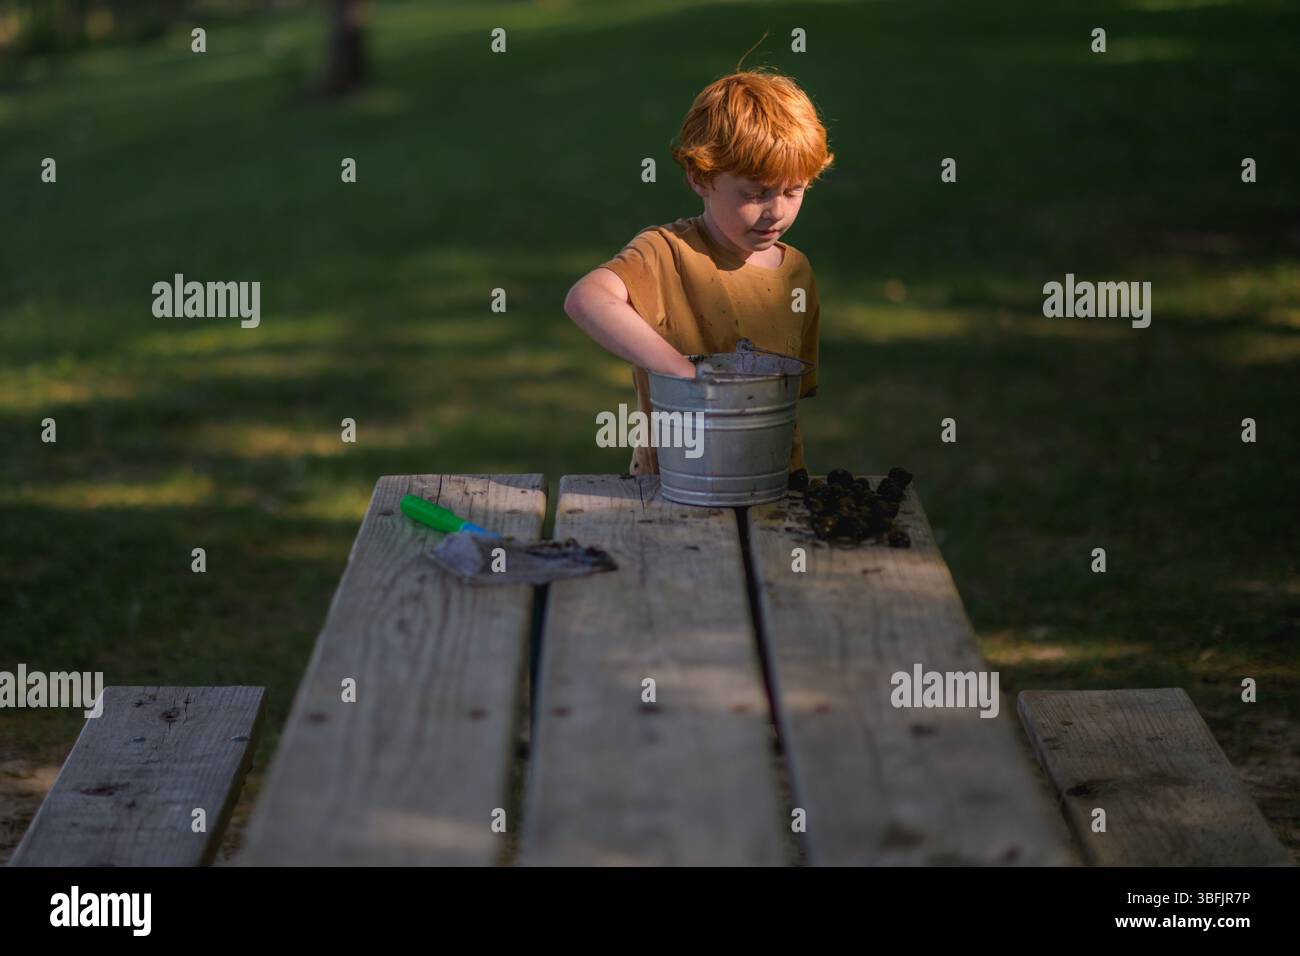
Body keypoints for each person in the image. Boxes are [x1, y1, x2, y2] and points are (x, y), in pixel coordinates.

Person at [563, 67, 834, 476]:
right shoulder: (666, 254)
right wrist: (689, 378)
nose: (777, 210)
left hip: (774, 484)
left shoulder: (796, 273)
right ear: (700, 178)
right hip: (673, 488)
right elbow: (586, 299)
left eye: (792, 190)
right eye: (755, 193)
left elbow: (789, 398)